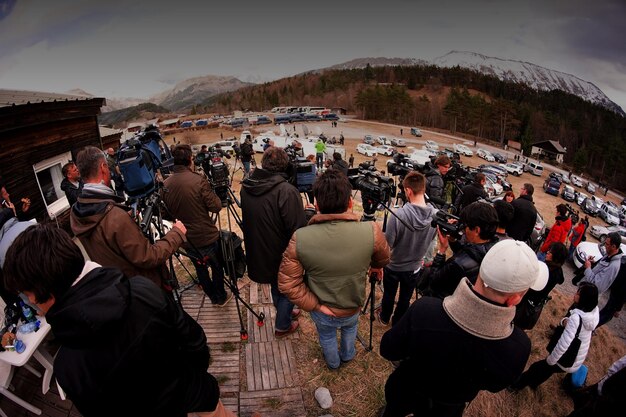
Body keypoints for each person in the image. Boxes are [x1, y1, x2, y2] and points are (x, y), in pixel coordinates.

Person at [2, 223, 234, 417]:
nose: (28, 301)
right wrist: (190, 382)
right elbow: (196, 343)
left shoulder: (68, 368)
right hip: (199, 401)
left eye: (26, 294)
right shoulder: (143, 290)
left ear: (47, 293)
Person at [380, 239, 549, 417]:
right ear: (514, 299)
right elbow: (494, 385)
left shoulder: (425, 311)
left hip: (403, 389)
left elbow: (388, 349)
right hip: (449, 407)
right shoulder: (517, 347)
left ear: (480, 272)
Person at [278, 169, 390, 369]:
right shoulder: (371, 230)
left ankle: (333, 363)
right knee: (350, 329)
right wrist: (375, 266)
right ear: (349, 203)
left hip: (323, 310)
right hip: (353, 304)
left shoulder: (300, 238)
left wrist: (316, 305)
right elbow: (384, 258)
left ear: (318, 205)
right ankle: (348, 356)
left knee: (327, 336)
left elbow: (287, 284)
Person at [70, 146, 187, 290]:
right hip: (144, 289)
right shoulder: (114, 216)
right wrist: (176, 233)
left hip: (119, 287)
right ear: (103, 167)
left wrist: (125, 222)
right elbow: (148, 257)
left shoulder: (76, 212)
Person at [241, 147, 308, 338]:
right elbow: (298, 230)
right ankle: (282, 326)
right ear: (285, 166)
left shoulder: (247, 186)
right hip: (282, 252)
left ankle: (285, 312)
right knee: (287, 288)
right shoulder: (286, 191)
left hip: (259, 249)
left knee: (275, 284)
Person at [162, 145, 231, 306]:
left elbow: (164, 213)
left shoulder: (166, 184)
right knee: (216, 267)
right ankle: (220, 296)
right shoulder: (198, 180)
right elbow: (216, 206)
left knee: (201, 270)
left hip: (185, 239)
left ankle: (213, 297)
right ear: (189, 160)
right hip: (206, 236)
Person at [510, 282, 599, 391]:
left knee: (537, 368)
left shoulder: (577, 318)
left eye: (578, 293)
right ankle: (534, 384)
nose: (575, 294)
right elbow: (571, 326)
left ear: (584, 299)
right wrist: (564, 321)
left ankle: (515, 386)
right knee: (548, 370)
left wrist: (551, 360)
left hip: (566, 358)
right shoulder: (592, 314)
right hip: (575, 359)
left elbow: (564, 344)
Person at [376, 172, 436, 326]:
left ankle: (384, 318)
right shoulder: (436, 216)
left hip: (394, 266)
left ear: (408, 191)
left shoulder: (398, 215)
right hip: (415, 268)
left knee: (389, 294)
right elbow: (431, 240)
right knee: (405, 298)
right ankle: (398, 322)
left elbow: (388, 244)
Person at [417, 201, 499, 299]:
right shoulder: (496, 248)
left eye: (466, 226)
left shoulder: (457, 264)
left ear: (477, 230)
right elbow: (472, 253)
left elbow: (434, 281)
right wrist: (453, 240)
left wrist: (442, 250)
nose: (463, 231)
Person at [514, 241, 568, 330]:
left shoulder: (547, 271)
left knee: (517, 322)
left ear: (556, 257)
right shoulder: (557, 270)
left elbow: (533, 288)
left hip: (528, 302)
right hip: (536, 302)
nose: (547, 252)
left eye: (550, 252)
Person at [597, 256, 626, 327]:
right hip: (619, 294)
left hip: (615, 289)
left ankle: (593, 325)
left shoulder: (623, 259)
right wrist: (618, 308)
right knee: (607, 315)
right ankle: (592, 327)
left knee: (606, 311)